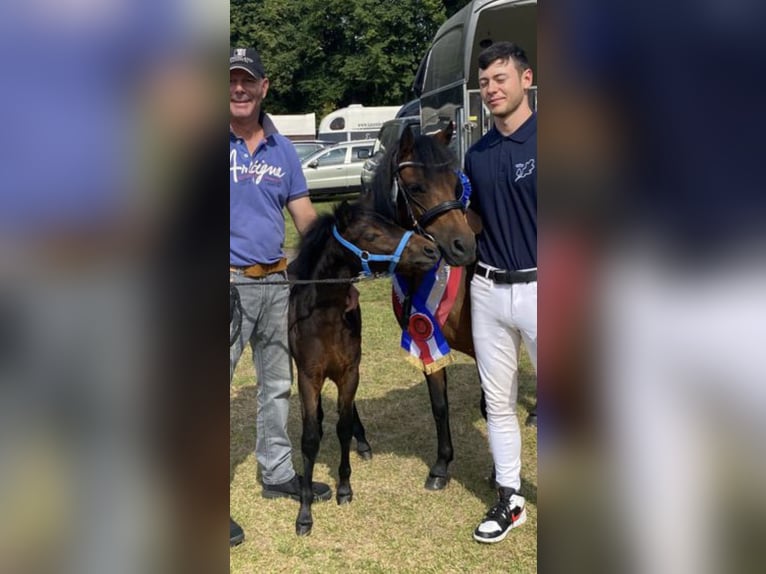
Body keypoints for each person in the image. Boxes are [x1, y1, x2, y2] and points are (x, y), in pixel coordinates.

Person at [229, 47, 355, 546]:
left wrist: (337, 278)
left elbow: (306, 219)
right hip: (225, 283)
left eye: (247, 81)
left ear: (264, 88)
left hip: (278, 284)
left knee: (279, 383)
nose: (238, 89)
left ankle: (278, 469)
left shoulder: (282, 150)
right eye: (231, 81)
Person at [464, 42, 537, 544]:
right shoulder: (476, 153)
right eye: (485, 82)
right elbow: (469, 222)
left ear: (526, 79)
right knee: (497, 402)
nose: (491, 89)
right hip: (487, 290)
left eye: (501, 78)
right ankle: (511, 498)